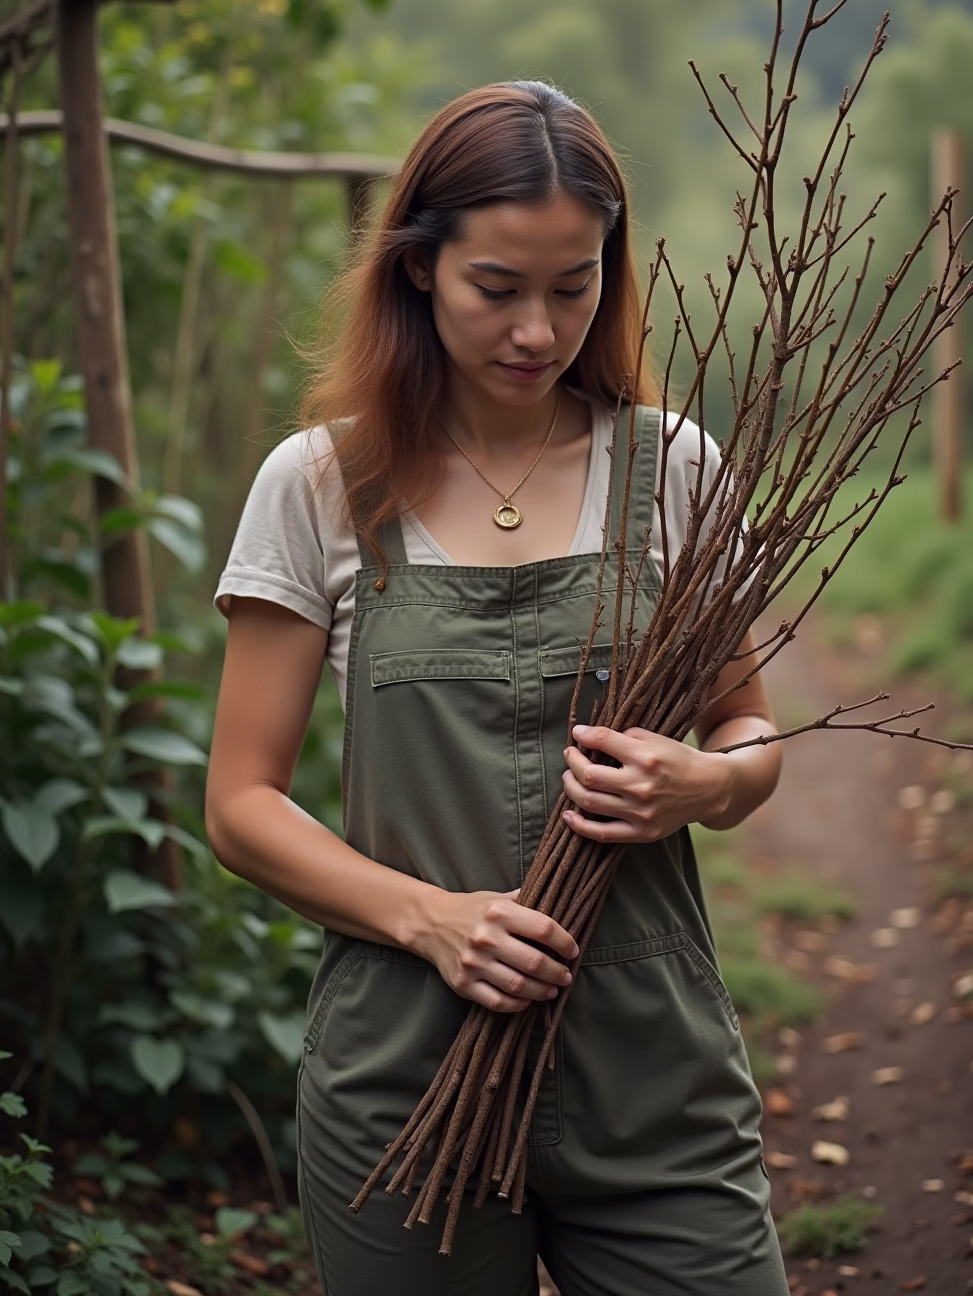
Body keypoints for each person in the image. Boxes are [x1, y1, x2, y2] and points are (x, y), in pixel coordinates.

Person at [206, 80, 788, 1296]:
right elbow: (241, 806)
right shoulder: (320, 486)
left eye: (573, 287)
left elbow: (748, 728)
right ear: (420, 266)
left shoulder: (674, 467)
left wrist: (706, 783)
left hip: (655, 1076)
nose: (537, 330)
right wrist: (432, 920)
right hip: (404, 1090)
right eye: (497, 288)